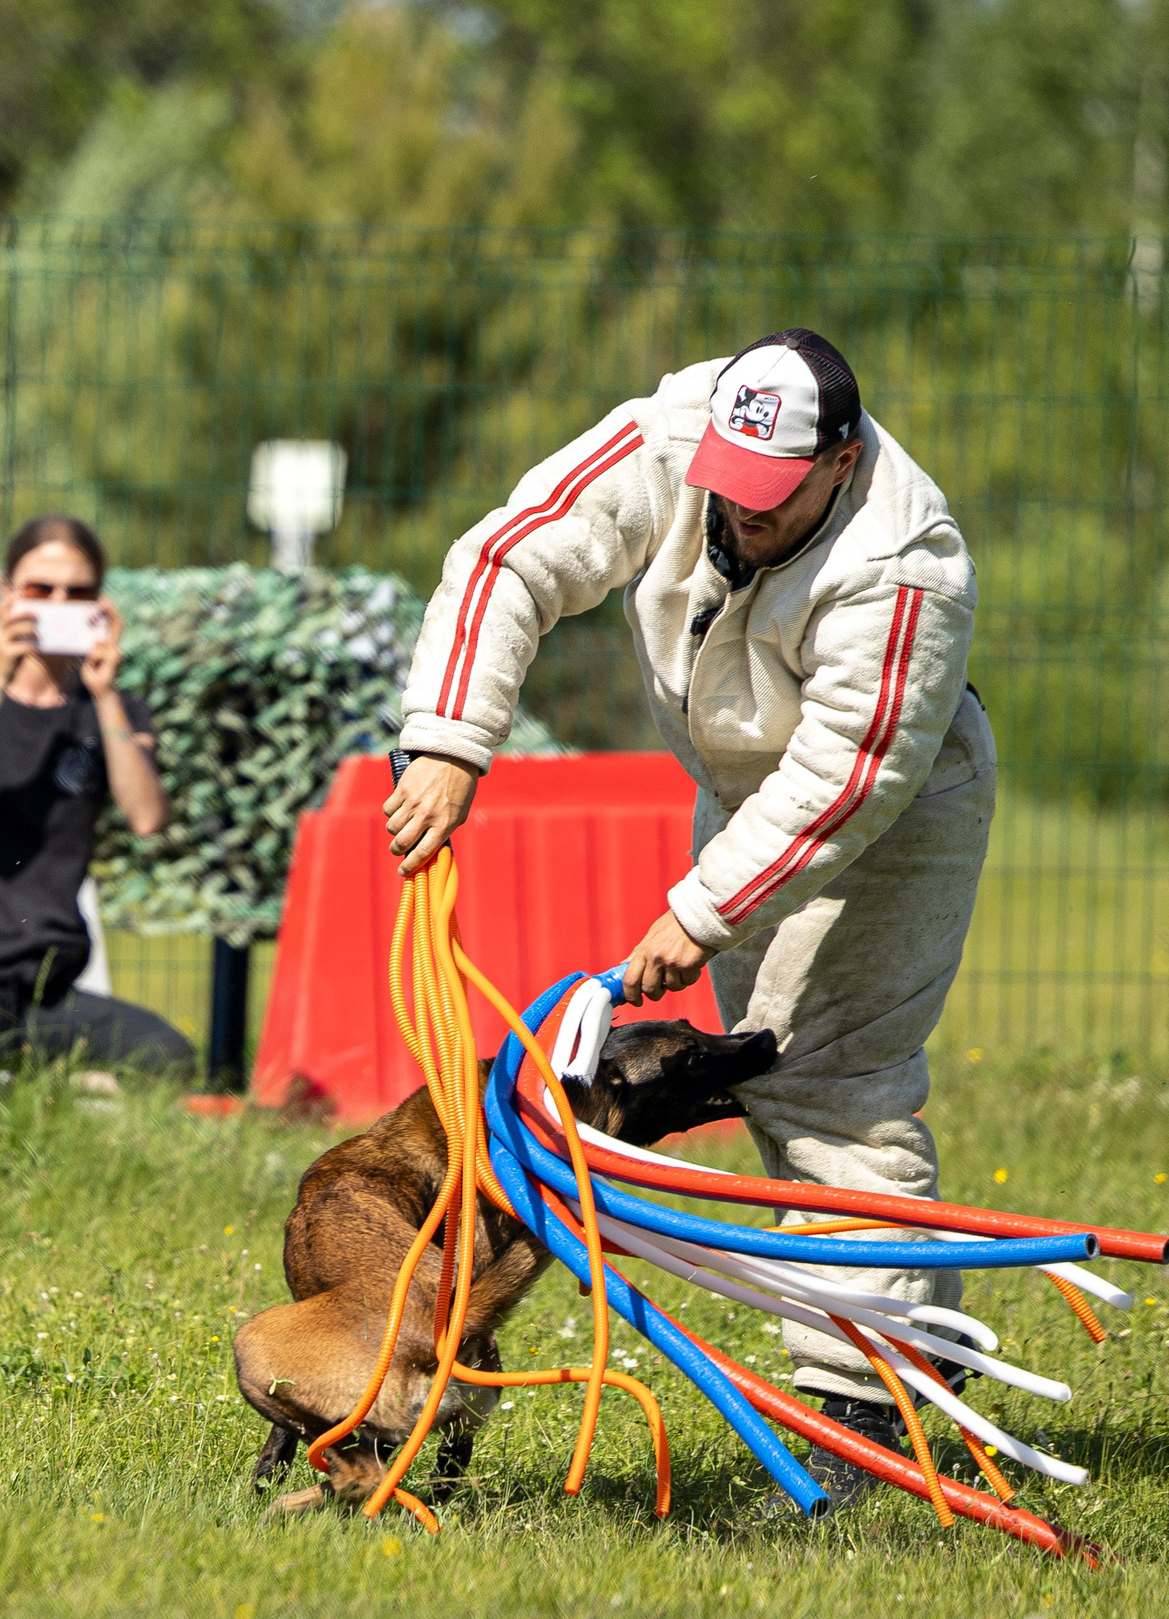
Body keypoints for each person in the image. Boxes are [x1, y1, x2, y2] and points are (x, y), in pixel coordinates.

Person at [383, 331, 995, 1514]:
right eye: (726, 485)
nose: (734, 515)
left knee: (833, 1095)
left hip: (887, 809)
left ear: (840, 461)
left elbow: (849, 775)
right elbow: (510, 559)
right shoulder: (675, 434)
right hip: (737, 789)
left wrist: (700, 913)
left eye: (769, 502)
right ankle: (924, 1376)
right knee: (777, 1086)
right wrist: (452, 739)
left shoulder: (904, 560)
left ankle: (873, 1415)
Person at [0, 515, 196, 1081]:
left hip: (43, 994)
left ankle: (36, 1074)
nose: (57, 603)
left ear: (99, 605)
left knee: (170, 1059)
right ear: (7, 594)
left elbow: (148, 817)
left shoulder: (111, 709)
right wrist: (0, 682)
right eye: (39, 590)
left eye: (76, 593)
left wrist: (104, 699)